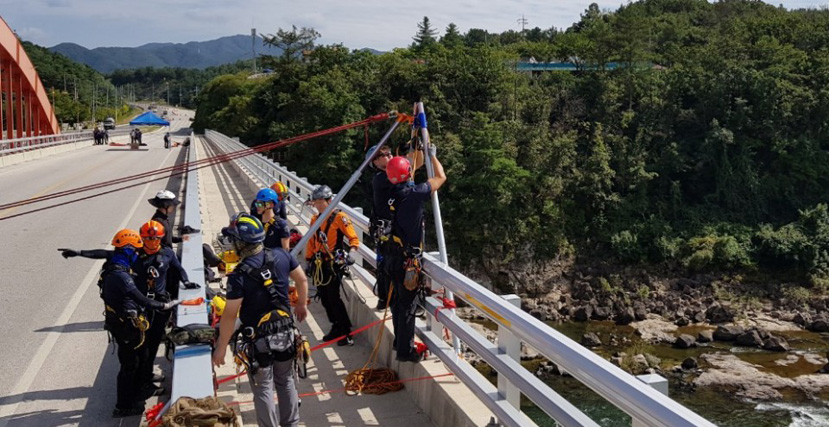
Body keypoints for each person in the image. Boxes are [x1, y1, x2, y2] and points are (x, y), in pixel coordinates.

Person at [213, 213, 307, 427]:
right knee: (286, 381)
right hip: (285, 333)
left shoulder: (239, 276)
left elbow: (230, 314)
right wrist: (301, 304)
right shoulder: (282, 255)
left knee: (264, 387)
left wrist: (221, 347)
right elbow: (301, 279)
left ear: (242, 244)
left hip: (258, 340)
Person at [97, 229, 179, 417]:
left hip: (124, 323)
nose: (136, 253)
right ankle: (123, 406)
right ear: (126, 249)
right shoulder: (121, 276)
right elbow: (142, 299)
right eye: (134, 250)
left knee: (140, 357)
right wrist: (166, 304)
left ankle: (140, 389)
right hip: (124, 326)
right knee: (129, 365)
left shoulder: (115, 264)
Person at [386, 148, 446, 363]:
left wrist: (415, 151)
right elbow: (440, 177)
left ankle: (398, 342)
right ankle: (405, 351)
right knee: (408, 306)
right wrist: (431, 155)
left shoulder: (390, 192)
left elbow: (406, 171)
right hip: (407, 261)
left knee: (397, 303)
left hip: (393, 257)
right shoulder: (414, 193)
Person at [305, 185, 359, 346]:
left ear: (329, 201)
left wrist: (351, 255)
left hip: (333, 263)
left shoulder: (339, 218)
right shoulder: (315, 219)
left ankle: (345, 331)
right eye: (315, 201)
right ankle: (335, 326)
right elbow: (312, 241)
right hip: (319, 263)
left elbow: (354, 239)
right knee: (325, 298)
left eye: (320, 201)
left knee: (334, 297)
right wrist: (308, 260)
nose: (317, 204)